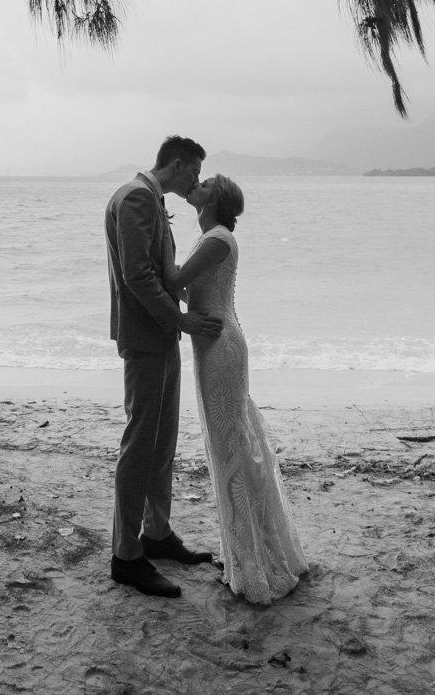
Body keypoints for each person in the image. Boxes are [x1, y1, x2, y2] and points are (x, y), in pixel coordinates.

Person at [165, 175, 308, 603]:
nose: (197, 183)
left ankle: (254, 560)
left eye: (205, 183)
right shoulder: (214, 236)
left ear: (216, 198)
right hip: (215, 342)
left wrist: (157, 231)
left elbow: (174, 283)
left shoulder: (218, 239)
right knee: (229, 445)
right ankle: (251, 553)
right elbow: (194, 289)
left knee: (232, 446)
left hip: (220, 346)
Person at [105, 135, 224, 598]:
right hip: (146, 335)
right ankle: (126, 556)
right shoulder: (136, 197)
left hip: (160, 333)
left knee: (162, 440)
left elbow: (157, 271)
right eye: (194, 172)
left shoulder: (148, 196)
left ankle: (156, 534)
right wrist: (182, 320)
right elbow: (138, 274)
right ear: (177, 165)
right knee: (141, 443)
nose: (196, 181)